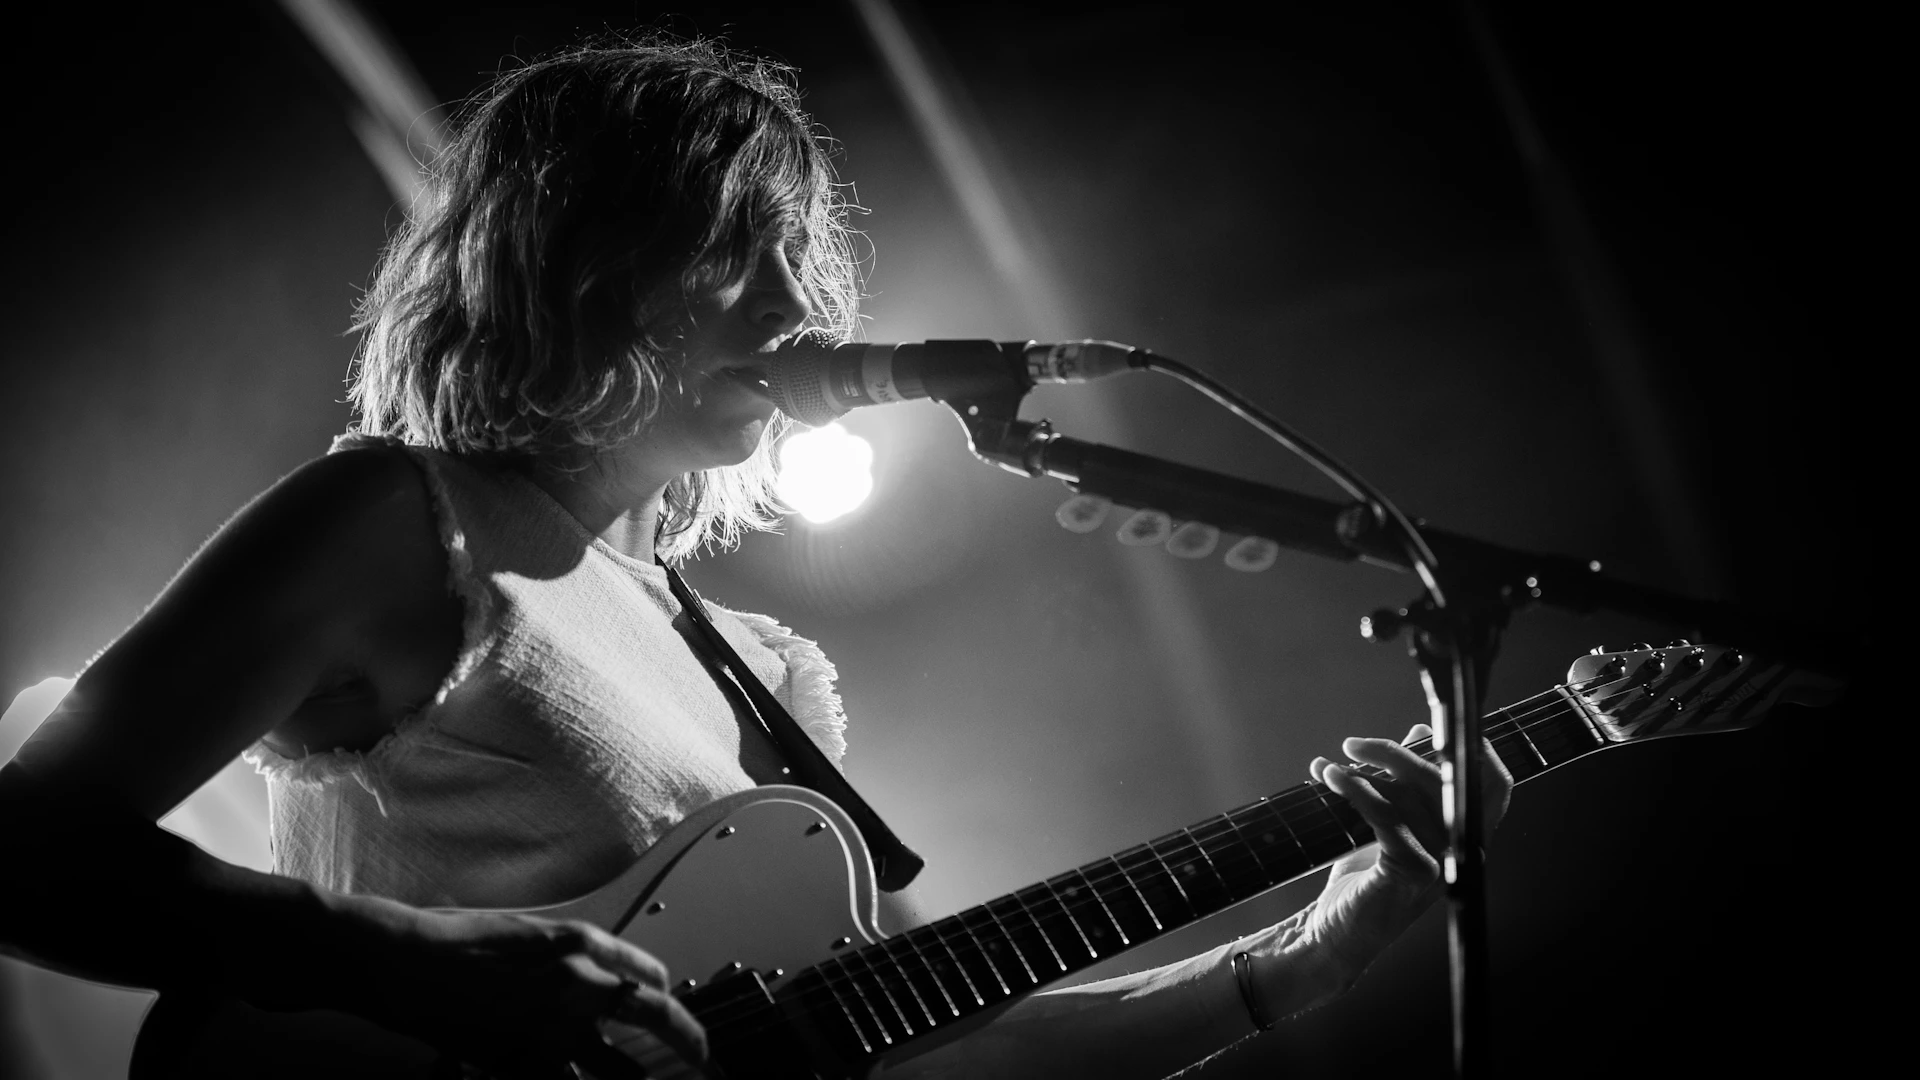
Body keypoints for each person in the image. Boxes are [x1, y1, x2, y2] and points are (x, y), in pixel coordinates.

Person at [0, 38, 1511, 1079]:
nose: (799, 300)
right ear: (578, 255)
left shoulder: (767, 674)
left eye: (807, 261)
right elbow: (31, 846)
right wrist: (406, 956)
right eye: (740, 246)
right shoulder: (404, 522)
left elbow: (946, 1051)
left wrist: (1301, 961)